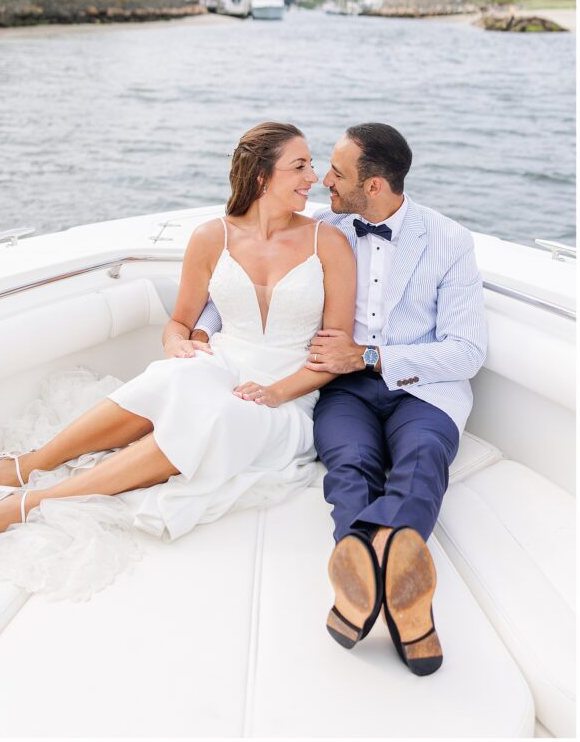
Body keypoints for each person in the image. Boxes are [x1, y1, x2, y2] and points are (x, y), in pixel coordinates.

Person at [0, 122, 355, 589]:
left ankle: (21, 507)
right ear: (260, 176)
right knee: (171, 379)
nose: (312, 177)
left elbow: (333, 355)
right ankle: (26, 466)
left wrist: (275, 392)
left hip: (289, 392)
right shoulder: (213, 238)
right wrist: (178, 346)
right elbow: (179, 323)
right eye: (300, 166)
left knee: (218, 416)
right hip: (224, 361)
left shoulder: (328, 243)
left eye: (312, 166)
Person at [193, 123, 488, 675]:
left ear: (374, 186)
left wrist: (371, 357)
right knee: (348, 464)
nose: (322, 180)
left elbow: (466, 352)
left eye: (337, 172)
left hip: (424, 390)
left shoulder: (450, 241)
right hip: (342, 388)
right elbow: (239, 278)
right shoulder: (322, 227)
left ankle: (367, 581)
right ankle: (394, 587)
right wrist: (199, 331)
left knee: (423, 458)